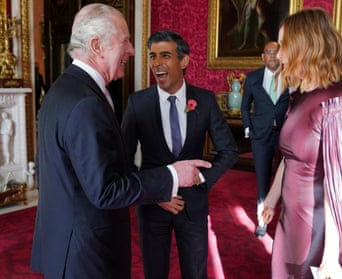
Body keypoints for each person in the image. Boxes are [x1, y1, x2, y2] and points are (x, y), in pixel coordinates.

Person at [30, 4, 211, 279]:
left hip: (63, 242)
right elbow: (106, 190)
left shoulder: (61, 90)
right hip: (86, 254)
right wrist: (173, 175)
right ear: (96, 45)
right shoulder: (86, 103)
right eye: (125, 40)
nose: (132, 51)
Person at [260, 8, 342, 279]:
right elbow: (289, 157)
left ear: (307, 46)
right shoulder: (299, 96)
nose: (279, 54)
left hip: (319, 228)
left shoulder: (341, 102)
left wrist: (331, 255)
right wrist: (271, 201)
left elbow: (340, 187)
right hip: (291, 220)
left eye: (285, 45)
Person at [121, 30, 238, 279]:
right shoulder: (137, 103)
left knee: (196, 273)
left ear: (183, 61)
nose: (157, 63)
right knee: (155, 273)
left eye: (165, 55)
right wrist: (153, 193)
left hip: (193, 206)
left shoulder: (204, 100)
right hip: (152, 207)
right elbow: (124, 158)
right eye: (153, 56)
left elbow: (229, 150)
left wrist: (202, 178)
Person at [240, 41, 289, 237]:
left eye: (276, 52)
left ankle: (287, 223)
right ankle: (262, 221)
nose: (272, 56)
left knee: (286, 180)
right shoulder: (253, 78)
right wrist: (247, 128)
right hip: (260, 136)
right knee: (262, 180)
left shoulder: (291, 76)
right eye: (268, 52)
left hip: (285, 136)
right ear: (262, 56)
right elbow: (245, 106)